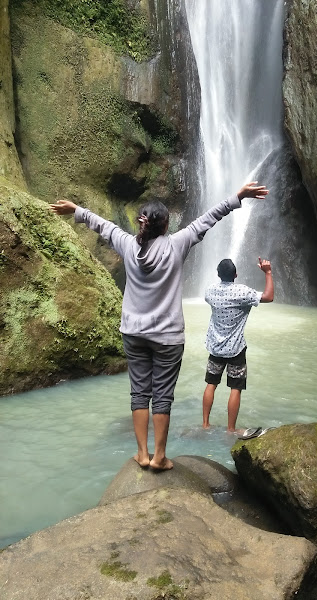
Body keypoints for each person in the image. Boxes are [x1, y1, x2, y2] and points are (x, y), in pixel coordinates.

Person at [49, 182, 269, 470]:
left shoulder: (127, 244)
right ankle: (160, 457)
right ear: (166, 225)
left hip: (133, 333)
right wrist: (238, 196)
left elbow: (102, 226)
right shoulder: (178, 244)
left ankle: (141, 454)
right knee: (162, 395)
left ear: (142, 223)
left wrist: (76, 210)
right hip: (167, 336)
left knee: (139, 392)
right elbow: (209, 218)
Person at [202, 257, 273, 432]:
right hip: (235, 349)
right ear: (236, 274)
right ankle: (231, 429)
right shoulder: (242, 292)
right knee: (235, 388)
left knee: (211, 384)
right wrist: (268, 273)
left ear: (218, 274)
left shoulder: (210, 291)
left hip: (215, 347)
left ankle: (205, 424)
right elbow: (268, 297)